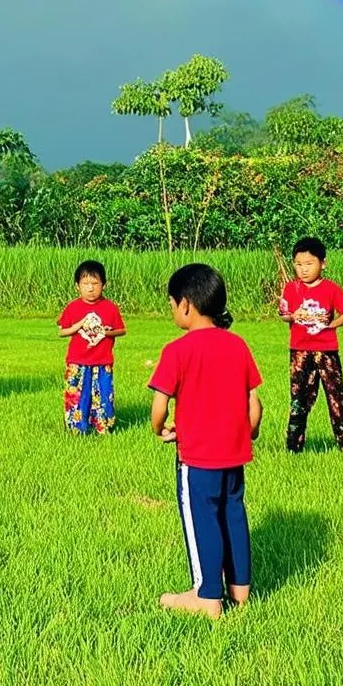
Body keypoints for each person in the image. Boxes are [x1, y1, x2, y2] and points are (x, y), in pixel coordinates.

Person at [148, 264, 263, 619]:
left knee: (202, 519)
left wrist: (160, 428)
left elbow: (159, 405)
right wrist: (250, 431)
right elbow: (254, 403)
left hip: (197, 457)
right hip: (234, 454)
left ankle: (207, 595)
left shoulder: (177, 350)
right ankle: (240, 590)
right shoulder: (237, 345)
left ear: (185, 305)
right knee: (233, 514)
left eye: (171, 304)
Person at [279, 237, 343, 453]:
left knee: (336, 397)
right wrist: (294, 315)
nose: (303, 270)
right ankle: (294, 446)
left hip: (327, 351)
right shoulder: (290, 289)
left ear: (323, 263)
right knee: (298, 398)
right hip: (299, 351)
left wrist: (333, 324)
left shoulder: (331, 289)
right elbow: (284, 315)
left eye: (309, 264)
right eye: (298, 264)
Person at [57, 259, 126, 434]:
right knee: (78, 396)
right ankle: (77, 429)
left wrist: (106, 332)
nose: (90, 288)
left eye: (95, 283)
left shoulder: (110, 308)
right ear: (77, 286)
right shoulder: (73, 307)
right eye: (85, 283)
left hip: (102, 362)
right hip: (77, 362)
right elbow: (62, 331)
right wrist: (79, 325)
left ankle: (104, 427)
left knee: (103, 395)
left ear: (104, 285)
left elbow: (121, 330)